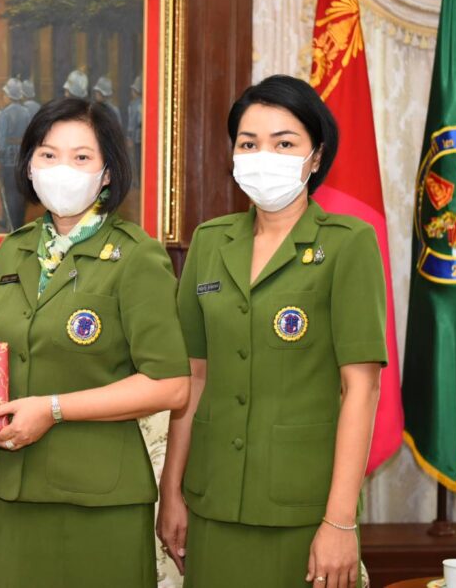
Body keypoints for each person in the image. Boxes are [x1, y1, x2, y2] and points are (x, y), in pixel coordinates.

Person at [157, 75, 386, 588]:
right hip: (212, 501)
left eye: (284, 144)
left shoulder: (348, 243)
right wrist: (172, 491)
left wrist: (339, 521)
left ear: (316, 156)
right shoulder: (210, 242)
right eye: (249, 143)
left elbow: (361, 388)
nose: (264, 156)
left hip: (303, 508)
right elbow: (193, 376)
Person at [0, 97, 191, 587]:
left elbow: (170, 385)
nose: (62, 169)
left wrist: (52, 409)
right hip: (14, 489)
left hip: (101, 499)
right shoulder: (14, 250)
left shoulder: (136, 256)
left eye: (81, 157)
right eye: (48, 155)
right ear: (29, 166)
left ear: (107, 172)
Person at [0, 78, 31, 230]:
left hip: (8, 158)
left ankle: (12, 224)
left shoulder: (4, 114)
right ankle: (18, 223)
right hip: (22, 156)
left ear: (9, 96)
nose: (3, 97)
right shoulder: (26, 113)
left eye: (4, 94)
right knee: (20, 191)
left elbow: (1, 140)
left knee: (9, 191)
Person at [126, 76, 142, 187]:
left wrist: (129, 137)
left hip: (136, 137)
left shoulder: (134, 105)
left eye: (133, 90)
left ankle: (137, 182)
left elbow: (132, 123)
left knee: (135, 160)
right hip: (140, 136)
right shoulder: (142, 103)